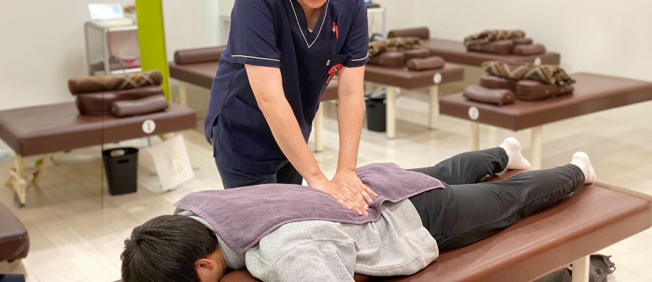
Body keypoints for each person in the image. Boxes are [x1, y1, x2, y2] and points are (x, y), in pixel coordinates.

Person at [120, 138, 597, 282]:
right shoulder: (195, 207)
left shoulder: (281, 249)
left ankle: (578, 170)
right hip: (370, 183)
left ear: (205, 264)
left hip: (413, 213)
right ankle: (503, 153)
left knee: (507, 202)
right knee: (441, 168)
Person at [204, 0, 374, 216]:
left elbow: (350, 91)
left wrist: (346, 170)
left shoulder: (351, 3)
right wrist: (317, 178)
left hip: (295, 130)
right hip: (244, 131)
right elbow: (270, 98)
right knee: (262, 229)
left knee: (295, 219)